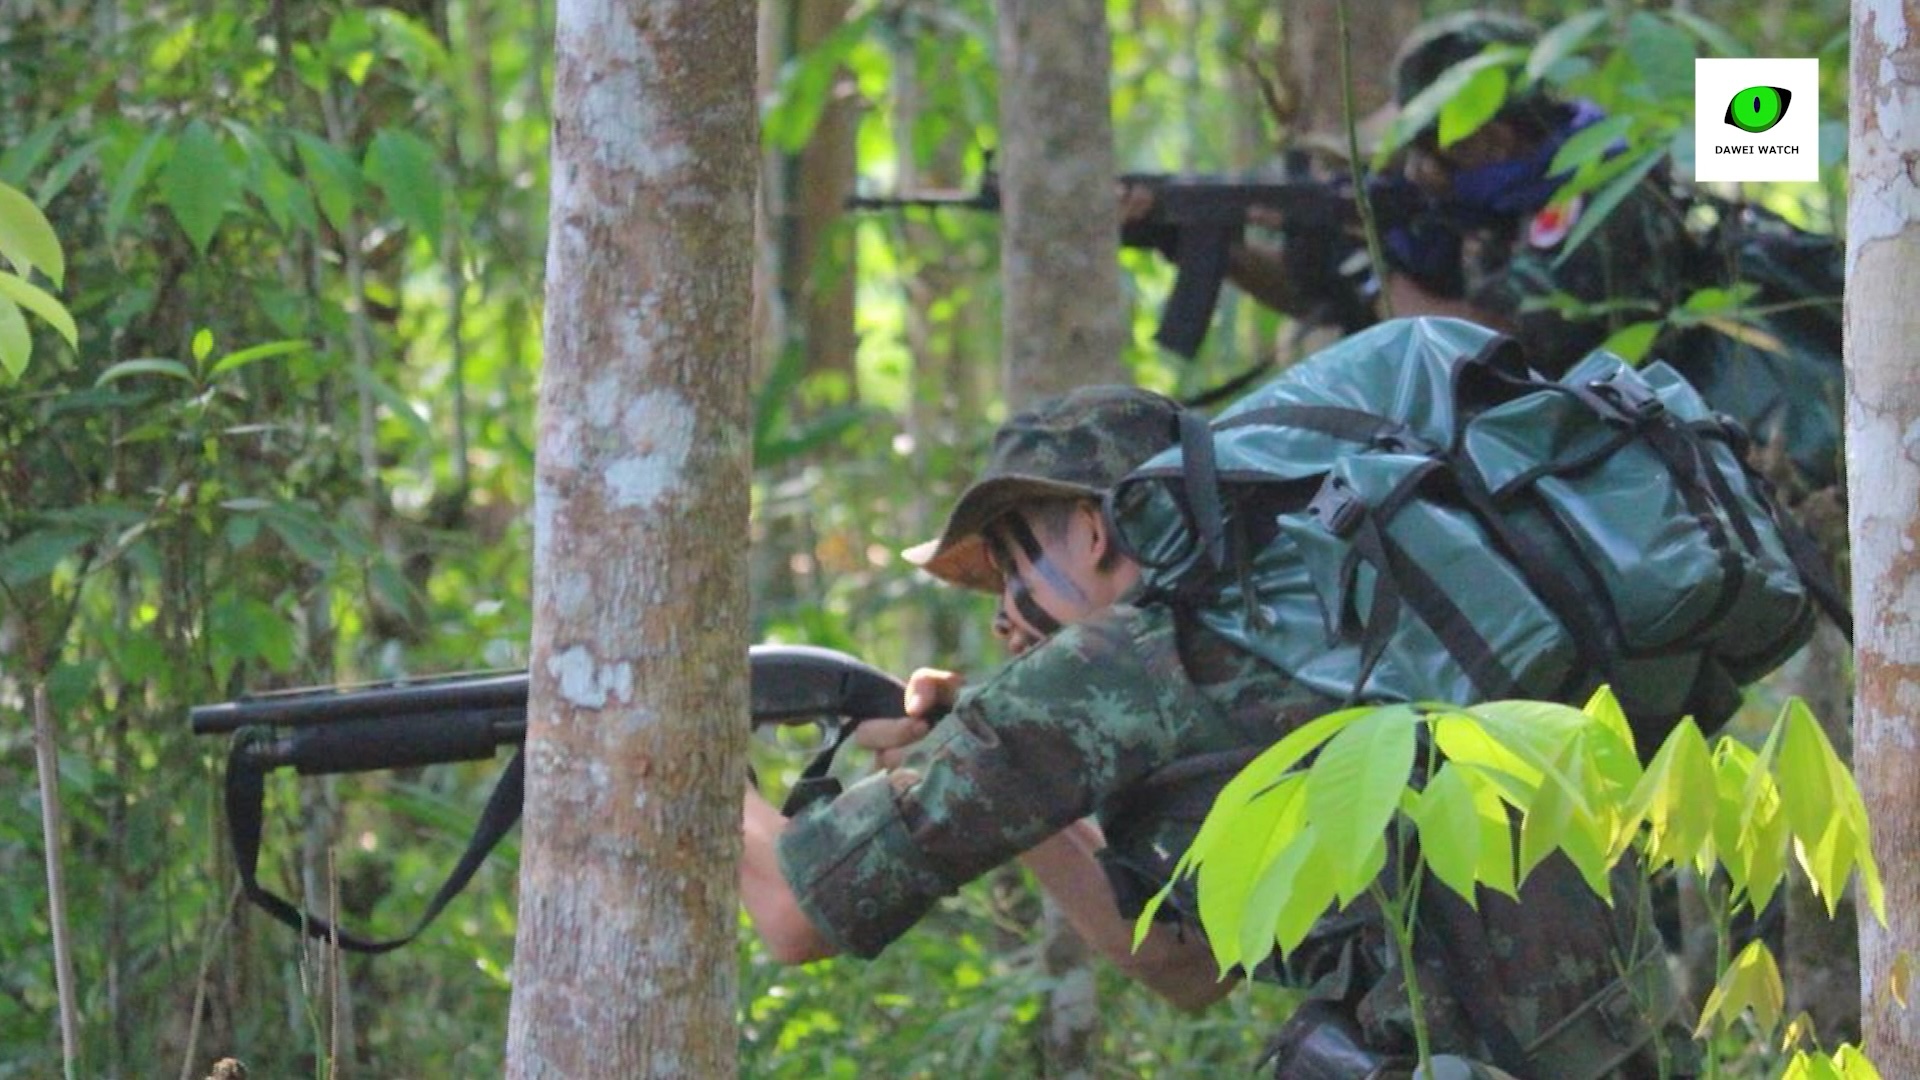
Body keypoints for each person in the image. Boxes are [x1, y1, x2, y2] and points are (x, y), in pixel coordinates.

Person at [738, 384, 1692, 1078]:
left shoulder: (1120, 663)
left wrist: (694, 762)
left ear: (1095, 530)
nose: (1002, 616)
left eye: (1011, 560)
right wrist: (1005, 788)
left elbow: (792, 911)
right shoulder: (1316, 613)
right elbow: (1182, 964)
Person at [1127, 11, 1692, 379]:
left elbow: (1495, 350)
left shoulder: (1600, 186)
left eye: (1432, 145)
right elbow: (1322, 302)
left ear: (1494, 137)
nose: (1419, 170)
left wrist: (1378, 276)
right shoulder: (1478, 207)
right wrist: (1208, 247)